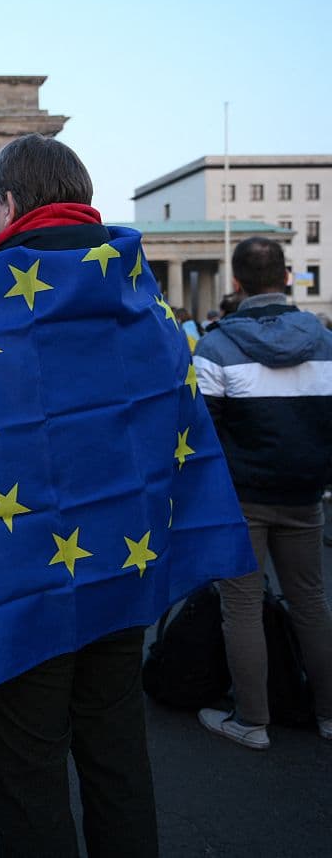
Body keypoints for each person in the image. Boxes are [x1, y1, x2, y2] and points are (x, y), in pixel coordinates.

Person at [0, 134, 255, 858]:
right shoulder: (137, 290)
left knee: (27, 770)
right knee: (117, 751)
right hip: (122, 563)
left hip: (18, 579)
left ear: (8, 202)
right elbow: (176, 417)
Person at [194, 236, 332, 748]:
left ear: (236, 283)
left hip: (242, 496)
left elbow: (202, 432)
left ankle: (251, 721)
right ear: (288, 277)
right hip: (305, 493)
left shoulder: (216, 345)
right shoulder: (324, 341)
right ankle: (327, 714)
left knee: (243, 605)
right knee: (312, 602)